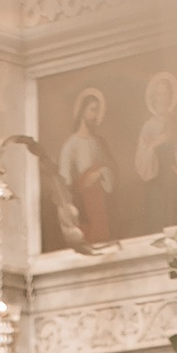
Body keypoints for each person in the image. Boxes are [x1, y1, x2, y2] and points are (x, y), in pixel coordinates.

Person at [58, 88, 116, 247]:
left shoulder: (98, 142)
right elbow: (64, 182)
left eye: (97, 111)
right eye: (92, 110)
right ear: (82, 111)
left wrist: (101, 173)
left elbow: (110, 168)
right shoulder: (71, 145)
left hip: (99, 201)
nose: (95, 115)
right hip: (82, 202)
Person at [132, 70, 177, 231]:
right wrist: (155, 144)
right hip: (156, 182)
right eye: (159, 94)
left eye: (166, 94)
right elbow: (141, 163)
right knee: (159, 219)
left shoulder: (176, 123)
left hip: (176, 178)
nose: (162, 98)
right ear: (154, 98)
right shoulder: (148, 126)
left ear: (171, 96)